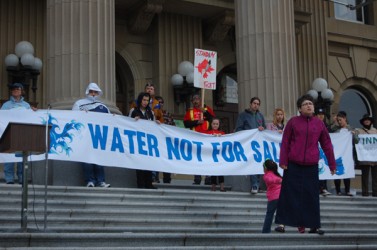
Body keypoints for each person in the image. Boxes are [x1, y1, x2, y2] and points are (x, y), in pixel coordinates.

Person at [275, 94, 336, 235]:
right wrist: (283, 161)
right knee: (288, 194)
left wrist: (332, 164)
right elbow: (285, 142)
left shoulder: (319, 124)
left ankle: (314, 225)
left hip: (311, 165)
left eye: (311, 104)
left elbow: (327, 144)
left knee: (311, 196)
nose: (309, 106)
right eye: (305, 104)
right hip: (293, 164)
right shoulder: (293, 122)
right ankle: (282, 224)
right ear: (300, 109)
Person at [72, 82, 111, 188]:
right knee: (87, 159)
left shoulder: (103, 106)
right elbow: (73, 118)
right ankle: (90, 181)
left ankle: (101, 181)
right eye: (91, 91)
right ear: (87, 92)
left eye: (95, 92)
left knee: (99, 158)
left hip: (99, 137)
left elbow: (110, 121)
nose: (93, 94)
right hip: (85, 136)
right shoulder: (79, 104)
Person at [1, 83, 37, 184]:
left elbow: (31, 117)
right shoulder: (6, 105)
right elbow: (2, 118)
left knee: (21, 156)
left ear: (22, 91)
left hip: (22, 134)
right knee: (9, 157)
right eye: (13, 89)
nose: (15, 91)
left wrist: (34, 111)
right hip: (9, 133)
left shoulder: (26, 105)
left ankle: (22, 178)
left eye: (17, 89)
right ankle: (9, 179)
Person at [129, 92, 160, 189]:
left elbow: (152, 124)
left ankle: (149, 183)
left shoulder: (150, 112)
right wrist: (133, 121)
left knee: (148, 163)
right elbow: (127, 123)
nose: (145, 102)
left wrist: (156, 122)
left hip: (148, 141)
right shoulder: (133, 110)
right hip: (137, 141)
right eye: (144, 100)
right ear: (140, 100)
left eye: (147, 100)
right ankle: (141, 184)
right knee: (140, 163)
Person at [235, 97, 266, 194]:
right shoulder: (243, 115)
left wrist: (262, 128)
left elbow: (264, 128)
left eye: (257, 104)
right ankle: (255, 185)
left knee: (258, 163)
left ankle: (257, 184)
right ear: (250, 104)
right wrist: (247, 134)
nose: (256, 105)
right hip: (248, 143)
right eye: (254, 103)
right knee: (252, 162)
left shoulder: (260, 116)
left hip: (258, 144)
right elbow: (238, 129)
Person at [184, 93, 215, 185]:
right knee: (196, 158)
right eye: (194, 99)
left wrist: (204, 112)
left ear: (201, 100)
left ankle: (208, 178)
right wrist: (197, 122)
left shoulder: (207, 109)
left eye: (198, 99)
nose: (196, 101)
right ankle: (197, 178)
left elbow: (213, 120)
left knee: (207, 157)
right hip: (195, 137)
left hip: (207, 137)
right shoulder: (190, 111)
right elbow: (186, 124)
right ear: (192, 101)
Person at [332, 111, 356, 196]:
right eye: (338, 120)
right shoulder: (335, 129)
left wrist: (354, 135)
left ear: (345, 119)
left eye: (340, 120)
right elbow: (329, 133)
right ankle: (338, 190)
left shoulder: (351, 129)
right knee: (337, 172)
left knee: (347, 172)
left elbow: (357, 141)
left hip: (348, 155)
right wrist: (334, 123)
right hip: (338, 154)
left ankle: (347, 190)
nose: (339, 122)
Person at [155, 95, 176, 184]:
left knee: (167, 161)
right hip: (156, 141)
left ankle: (167, 179)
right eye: (158, 102)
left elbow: (173, 127)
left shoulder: (167, 114)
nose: (160, 104)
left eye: (161, 102)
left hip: (166, 142)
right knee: (156, 161)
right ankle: (155, 177)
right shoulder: (153, 113)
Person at [355, 114, 377, 196]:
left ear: (371, 121)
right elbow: (356, 141)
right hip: (364, 157)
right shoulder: (359, 131)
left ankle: (375, 192)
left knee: (375, 176)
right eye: (365, 120)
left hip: (374, 157)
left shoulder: (375, 131)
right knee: (365, 176)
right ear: (363, 122)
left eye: (368, 119)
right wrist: (354, 135)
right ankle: (365, 192)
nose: (367, 121)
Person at [261, 159, 284, 233]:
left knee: (269, 214)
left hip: (273, 198)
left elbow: (270, 180)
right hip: (280, 196)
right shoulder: (277, 175)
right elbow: (272, 180)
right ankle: (281, 226)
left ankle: (266, 230)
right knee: (281, 213)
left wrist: (278, 180)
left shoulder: (267, 175)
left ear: (266, 168)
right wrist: (279, 180)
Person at [206, 118, 226, 192]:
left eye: (217, 124)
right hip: (211, 155)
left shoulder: (223, 134)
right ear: (211, 124)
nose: (215, 125)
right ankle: (213, 187)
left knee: (221, 171)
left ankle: (222, 187)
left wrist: (221, 137)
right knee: (213, 171)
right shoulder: (208, 133)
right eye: (214, 124)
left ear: (219, 125)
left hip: (220, 155)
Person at [316, 108, 332, 196]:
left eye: (322, 114)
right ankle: (318, 187)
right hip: (315, 151)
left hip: (323, 151)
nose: (321, 116)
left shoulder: (328, 126)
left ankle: (323, 187)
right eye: (319, 114)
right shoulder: (313, 124)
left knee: (324, 168)